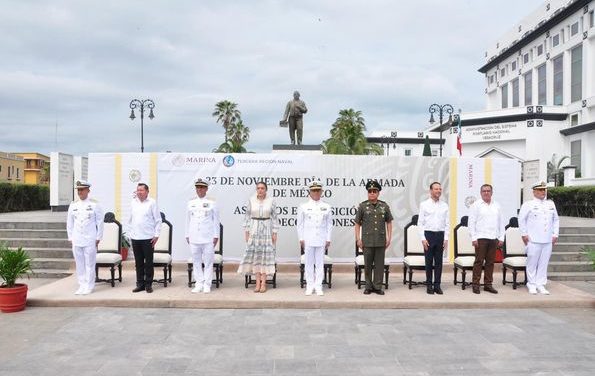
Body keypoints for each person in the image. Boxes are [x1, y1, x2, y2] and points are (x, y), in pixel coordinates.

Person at [518, 181, 559, 295]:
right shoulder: (528, 204)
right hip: (533, 239)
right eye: (540, 190)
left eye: (544, 190)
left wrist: (555, 234)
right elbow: (521, 220)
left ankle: (540, 284)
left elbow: (556, 220)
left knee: (543, 263)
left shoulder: (550, 204)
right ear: (534, 191)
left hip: (547, 239)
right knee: (532, 262)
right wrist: (524, 234)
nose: (543, 192)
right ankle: (531, 284)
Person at [237, 181, 279, 293]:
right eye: (258, 188)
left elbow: (275, 218)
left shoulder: (271, 201)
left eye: (262, 188)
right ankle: (257, 283)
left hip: (266, 230)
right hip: (254, 229)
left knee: (264, 257)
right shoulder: (251, 200)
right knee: (256, 256)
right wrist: (246, 232)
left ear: (266, 189)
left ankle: (263, 283)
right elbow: (246, 217)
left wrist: (275, 233)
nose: (260, 190)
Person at [354, 180, 393, 295]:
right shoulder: (362, 206)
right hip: (367, 241)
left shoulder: (384, 206)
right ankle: (368, 286)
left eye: (374, 191)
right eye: (370, 191)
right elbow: (357, 223)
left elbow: (389, 222)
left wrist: (389, 237)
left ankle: (378, 286)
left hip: (381, 240)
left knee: (379, 265)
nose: (372, 193)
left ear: (378, 193)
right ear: (367, 193)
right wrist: (358, 239)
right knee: (368, 265)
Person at [66, 180, 104, 295]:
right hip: (77, 239)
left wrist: (98, 237)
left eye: (82, 189)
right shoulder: (73, 205)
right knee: (79, 264)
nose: (80, 192)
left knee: (90, 264)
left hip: (90, 239)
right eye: (78, 190)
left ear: (88, 190)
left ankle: (89, 286)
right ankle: (81, 285)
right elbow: (69, 223)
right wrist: (70, 238)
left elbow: (100, 222)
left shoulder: (94, 204)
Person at [467, 184, 505, 294]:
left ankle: (488, 284)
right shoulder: (476, 205)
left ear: (492, 193)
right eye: (484, 191)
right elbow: (471, 222)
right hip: (480, 238)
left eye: (488, 191)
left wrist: (501, 237)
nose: (486, 193)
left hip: (493, 238)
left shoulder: (497, 205)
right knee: (479, 262)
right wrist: (473, 237)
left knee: (490, 263)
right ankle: (476, 284)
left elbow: (501, 223)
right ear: (481, 193)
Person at [297, 181, 333, 296]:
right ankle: (309, 286)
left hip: (321, 239)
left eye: (318, 190)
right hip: (308, 239)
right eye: (314, 190)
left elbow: (329, 224)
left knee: (319, 263)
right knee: (308, 263)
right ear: (310, 192)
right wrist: (301, 238)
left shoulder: (326, 207)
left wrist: (328, 239)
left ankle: (318, 286)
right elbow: (300, 224)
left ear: (322, 192)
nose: (316, 193)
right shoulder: (303, 206)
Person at [185, 178, 220, 294]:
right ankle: (198, 283)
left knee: (209, 262)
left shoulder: (212, 202)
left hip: (208, 237)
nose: (199, 189)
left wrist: (216, 235)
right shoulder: (191, 202)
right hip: (194, 236)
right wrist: (187, 234)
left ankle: (207, 284)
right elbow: (187, 220)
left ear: (206, 189)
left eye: (201, 187)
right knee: (196, 261)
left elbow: (216, 220)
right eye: (197, 187)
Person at [127, 183, 162, 294]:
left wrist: (156, 235)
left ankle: (148, 284)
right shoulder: (133, 203)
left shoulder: (152, 203)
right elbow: (129, 220)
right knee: (138, 263)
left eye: (141, 190)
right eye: (138, 190)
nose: (139, 192)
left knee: (148, 262)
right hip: (135, 237)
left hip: (148, 238)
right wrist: (129, 234)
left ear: (147, 191)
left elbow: (158, 220)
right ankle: (140, 284)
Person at [418, 182, 449, 295]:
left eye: (440, 189)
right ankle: (429, 285)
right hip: (429, 236)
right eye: (436, 189)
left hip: (440, 235)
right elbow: (420, 223)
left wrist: (446, 239)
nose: (438, 191)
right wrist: (423, 238)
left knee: (439, 263)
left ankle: (437, 285)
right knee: (429, 262)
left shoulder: (445, 205)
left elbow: (447, 224)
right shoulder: (424, 204)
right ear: (431, 191)